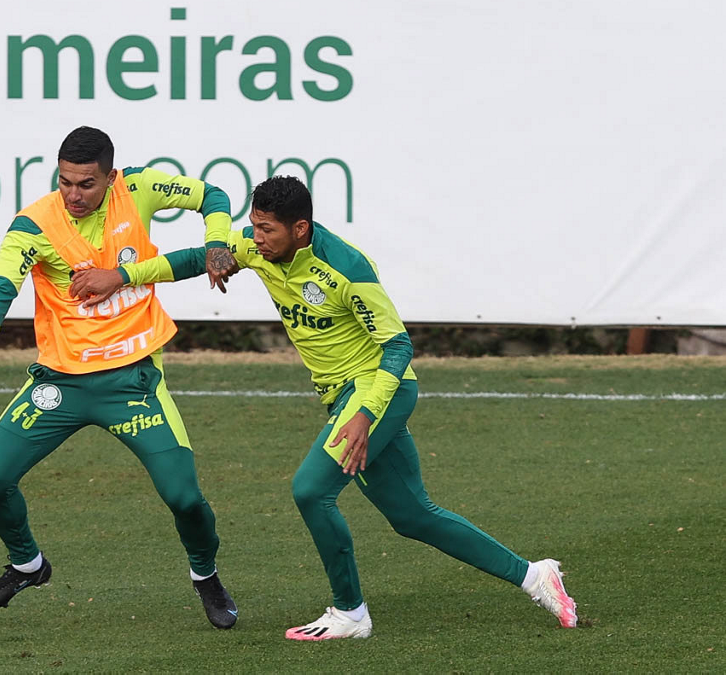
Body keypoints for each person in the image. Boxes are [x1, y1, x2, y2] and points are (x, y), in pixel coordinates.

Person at [69, 175, 578, 640]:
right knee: (413, 517)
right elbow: (189, 260)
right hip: (345, 397)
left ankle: (350, 612)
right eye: (253, 227)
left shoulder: (347, 268)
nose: (255, 239)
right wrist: (123, 275)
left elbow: (398, 347)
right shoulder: (258, 248)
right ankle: (535, 576)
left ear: (300, 229)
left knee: (312, 491)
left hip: (378, 391)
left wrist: (363, 415)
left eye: (266, 230)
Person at [0, 126, 242, 629]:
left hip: (132, 381)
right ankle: (27, 565)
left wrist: (217, 243)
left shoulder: (138, 188)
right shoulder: (33, 225)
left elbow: (214, 196)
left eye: (86, 184)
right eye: (65, 182)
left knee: (185, 498)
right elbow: (0, 289)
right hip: (61, 383)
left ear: (111, 178)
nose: (73, 194)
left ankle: (205, 576)